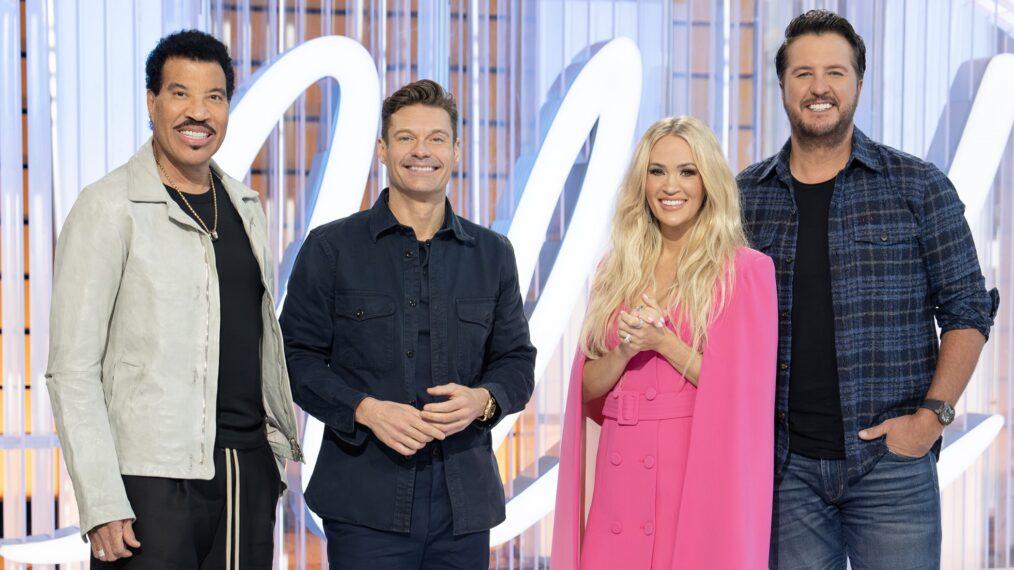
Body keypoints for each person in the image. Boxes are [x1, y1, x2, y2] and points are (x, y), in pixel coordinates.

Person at [736, 10, 1000, 569]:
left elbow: (968, 310)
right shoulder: (742, 199)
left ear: (858, 82)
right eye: (803, 73)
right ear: (782, 85)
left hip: (892, 465)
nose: (819, 87)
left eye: (835, 71)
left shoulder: (918, 186)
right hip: (784, 472)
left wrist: (932, 419)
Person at [46, 30, 301, 568]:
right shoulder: (109, 206)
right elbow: (72, 370)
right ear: (152, 102)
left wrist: (271, 460)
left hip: (245, 472)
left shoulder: (246, 204)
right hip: (150, 483)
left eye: (214, 97)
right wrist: (101, 501)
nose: (198, 113)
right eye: (181, 93)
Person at [280, 79, 536, 569]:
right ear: (382, 148)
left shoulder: (492, 254)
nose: (422, 151)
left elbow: (516, 361)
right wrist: (365, 409)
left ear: (457, 150)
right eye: (406, 138)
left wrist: (483, 401)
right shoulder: (332, 249)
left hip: (463, 504)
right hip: (364, 502)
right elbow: (293, 358)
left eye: (437, 138)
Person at [551, 115, 778, 569]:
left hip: (694, 472)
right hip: (620, 481)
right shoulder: (615, 270)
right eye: (657, 171)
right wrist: (624, 351)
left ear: (708, 181)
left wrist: (663, 342)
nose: (670, 186)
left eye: (686, 171)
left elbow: (744, 395)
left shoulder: (744, 271)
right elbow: (587, 389)